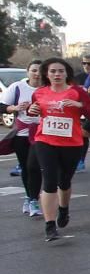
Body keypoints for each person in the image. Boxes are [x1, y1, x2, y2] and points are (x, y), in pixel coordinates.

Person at [27, 57, 90, 242]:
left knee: (64, 181)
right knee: (49, 181)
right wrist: (31, 110)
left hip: (71, 143)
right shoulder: (40, 92)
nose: (57, 74)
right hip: (45, 140)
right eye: (52, 71)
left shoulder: (76, 91)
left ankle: (64, 209)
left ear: (67, 73)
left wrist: (79, 105)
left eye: (60, 71)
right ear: (46, 74)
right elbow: (33, 110)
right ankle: (50, 225)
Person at [1, 59, 42, 216]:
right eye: (34, 70)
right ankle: (29, 197)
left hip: (41, 133)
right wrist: (15, 108)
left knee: (34, 167)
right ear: (28, 72)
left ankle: (33, 201)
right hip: (22, 133)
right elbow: (2, 105)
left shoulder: (48, 88)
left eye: (40, 70)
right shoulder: (17, 87)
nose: (37, 74)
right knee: (26, 167)